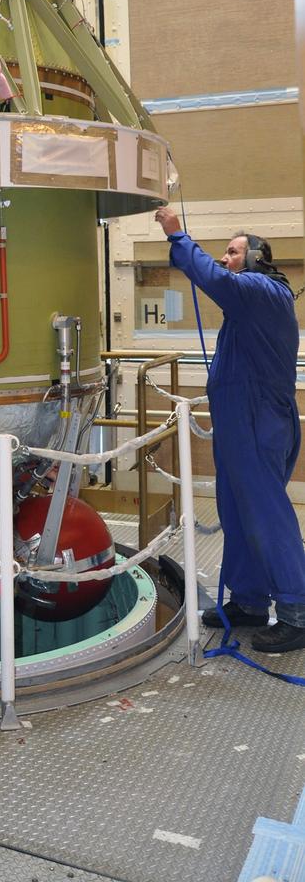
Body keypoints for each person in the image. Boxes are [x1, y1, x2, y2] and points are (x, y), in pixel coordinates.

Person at [154, 207, 305, 654]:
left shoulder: (264, 290)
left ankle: (297, 610)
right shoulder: (248, 305)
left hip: (259, 421)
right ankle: (250, 602)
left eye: (234, 251)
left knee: (266, 514)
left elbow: (216, 280)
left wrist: (178, 237)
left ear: (258, 257)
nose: (226, 258)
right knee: (238, 513)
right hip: (241, 420)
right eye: (225, 252)